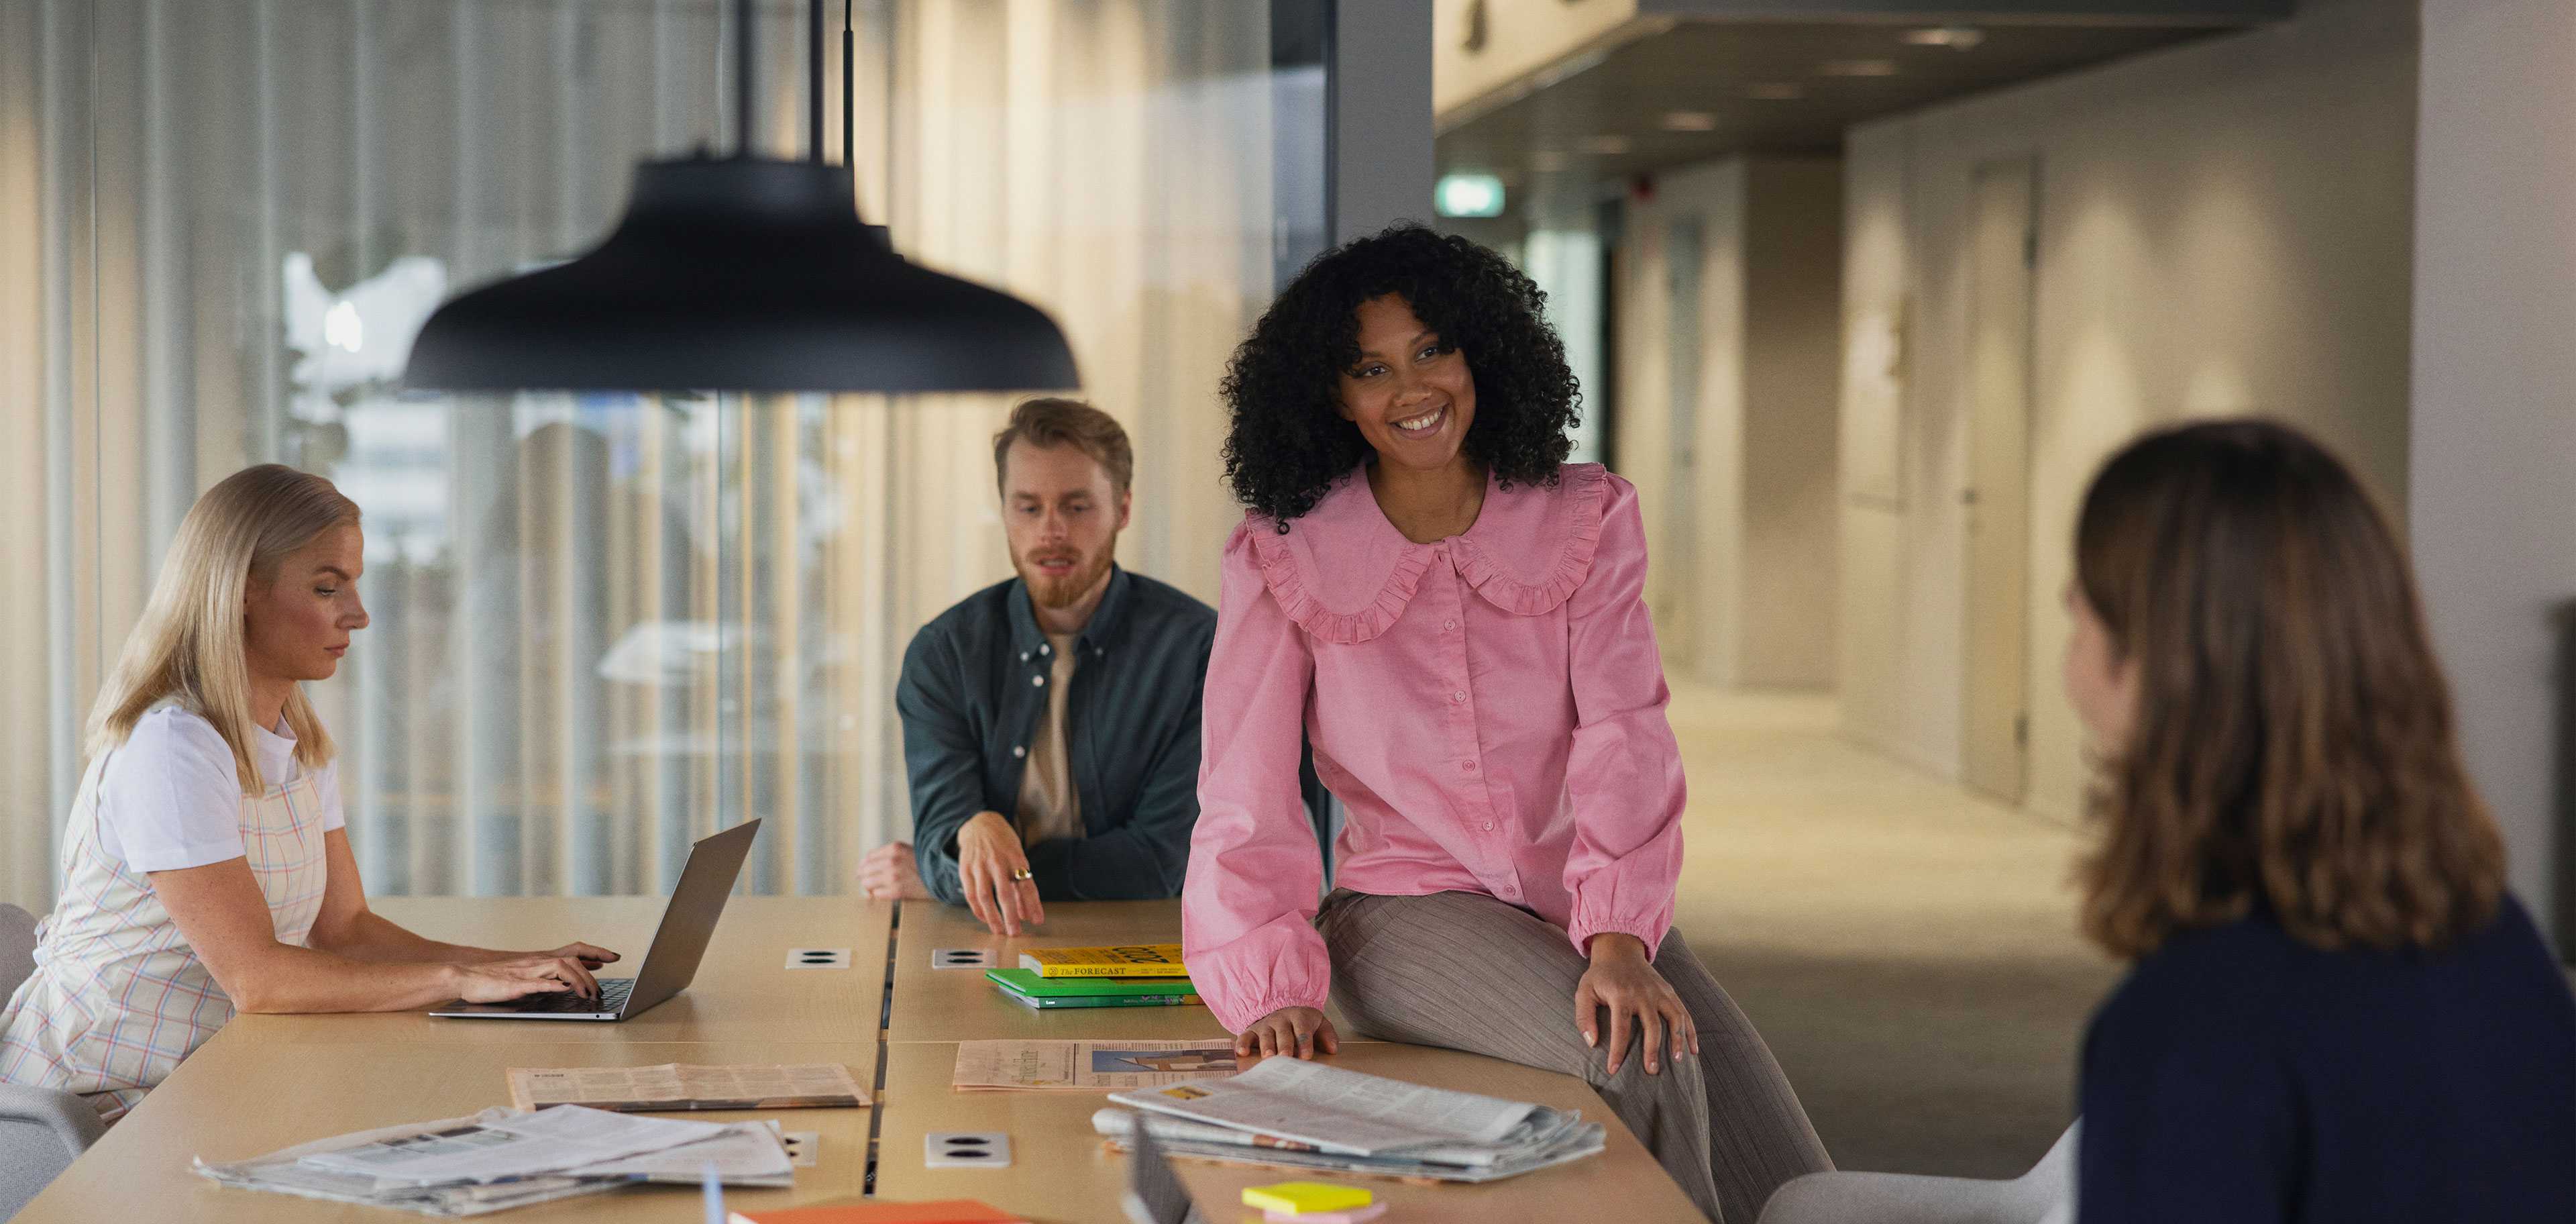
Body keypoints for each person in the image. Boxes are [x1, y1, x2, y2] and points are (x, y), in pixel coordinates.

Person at [1183, 224, 1830, 1223]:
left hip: (1582, 910)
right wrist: (1267, 977)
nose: (1412, 389)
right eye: (1371, 368)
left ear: (1481, 350)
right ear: (1332, 396)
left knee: (1792, 1178)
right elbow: (1244, 786)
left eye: (1432, 349)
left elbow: (1626, 728)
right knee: (1637, 1060)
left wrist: (1617, 931)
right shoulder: (1280, 555)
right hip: (1401, 914)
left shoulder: (1586, 516)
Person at [2060, 421, 2575, 1223]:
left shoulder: (2186, 1036)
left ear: (2155, 669)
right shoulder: (2504, 950)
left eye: (2080, 621)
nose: (2073, 673)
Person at [0, 465, 619, 1124]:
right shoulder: (172, 748)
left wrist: (521, 970)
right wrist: (456, 980)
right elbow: (258, 979)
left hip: (216, 1075)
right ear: (239, 591)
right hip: (100, 1102)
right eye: (328, 588)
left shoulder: (294, 737)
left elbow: (344, 931)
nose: (359, 614)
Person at [861, 398, 1217, 937]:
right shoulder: (944, 654)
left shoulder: (1198, 650)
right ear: (1004, 510)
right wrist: (970, 836)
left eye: (1077, 507)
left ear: (1123, 508)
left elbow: (1157, 863)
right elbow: (943, 833)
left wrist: (964, 876)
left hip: (1157, 937)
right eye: (1028, 507)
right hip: (993, 939)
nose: (1051, 532)